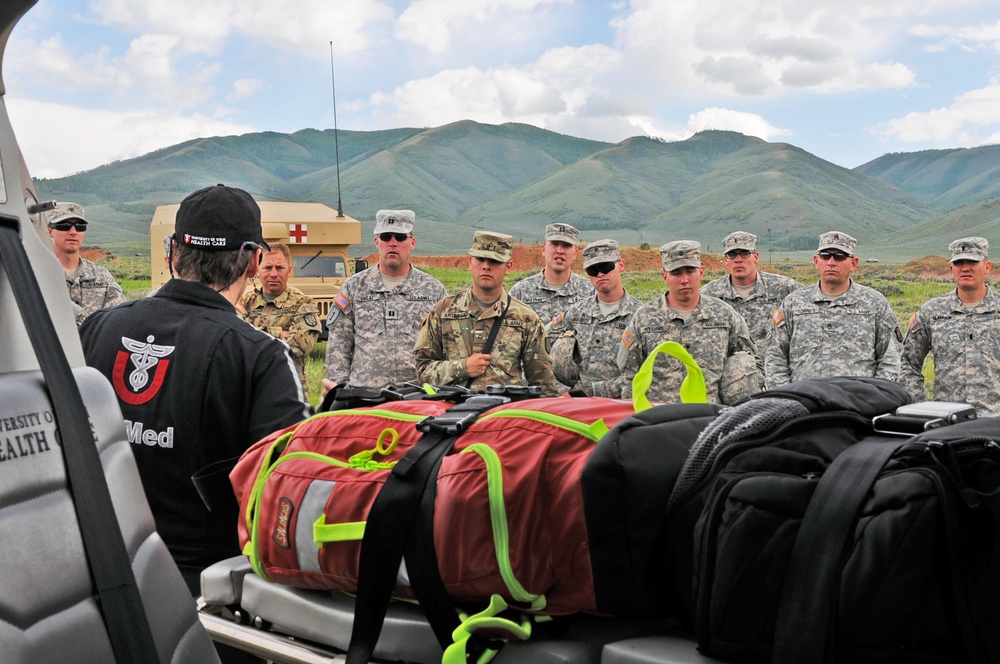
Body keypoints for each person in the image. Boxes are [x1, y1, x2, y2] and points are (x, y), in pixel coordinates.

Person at [79, 184, 312, 595]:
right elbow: (288, 493)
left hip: (93, 575)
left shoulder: (97, 328)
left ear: (172, 252)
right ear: (254, 261)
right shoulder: (262, 356)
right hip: (206, 590)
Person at [413, 230, 559, 396]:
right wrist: (463, 367)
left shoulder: (525, 318)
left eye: (494, 261)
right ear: (470, 262)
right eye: (480, 259)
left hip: (503, 416)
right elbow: (422, 371)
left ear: (508, 267)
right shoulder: (444, 311)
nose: (486, 266)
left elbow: (544, 386)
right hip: (453, 412)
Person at [616, 240, 761, 404]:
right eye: (676, 273)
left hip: (709, 419)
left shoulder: (725, 315)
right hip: (661, 420)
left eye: (690, 271)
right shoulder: (644, 318)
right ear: (665, 276)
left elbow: (751, 365)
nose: (684, 280)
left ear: (701, 272)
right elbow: (629, 377)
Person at [324, 209, 447, 391]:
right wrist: (339, 391)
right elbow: (339, 345)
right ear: (376, 242)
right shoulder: (353, 288)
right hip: (365, 395)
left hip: (418, 395)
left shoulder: (433, 290)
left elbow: (447, 346)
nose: (392, 243)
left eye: (400, 237)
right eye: (386, 237)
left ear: (412, 242)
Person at [765, 231, 902, 388]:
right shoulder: (793, 303)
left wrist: (875, 398)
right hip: (804, 404)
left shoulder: (875, 304)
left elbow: (890, 359)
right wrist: (786, 398)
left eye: (839, 256)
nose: (831, 262)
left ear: (854, 263)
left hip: (858, 406)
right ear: (816, 261)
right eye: (825, 256)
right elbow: (775, 356)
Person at [901, 237, 1000, 415]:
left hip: (994, 421)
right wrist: (919, 408)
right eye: (959, 262)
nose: (966, 268)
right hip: (946, 421)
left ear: (987, 267)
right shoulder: (932, 312)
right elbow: (907, 364)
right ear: (951, 269)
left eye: (972, 261)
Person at [549, 239, 641, 397]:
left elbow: (647, 371)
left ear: (621, 265)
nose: (600, 274)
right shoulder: (575, 313)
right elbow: (539, 349)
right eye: (593, 270)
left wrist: (591, 392)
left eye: (606, 267)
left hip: (622, 405)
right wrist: (561, 391)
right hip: (578, 406)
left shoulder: (641, 316)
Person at [701, 231, 803, 358]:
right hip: (731, 372)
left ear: (756, 257)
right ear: (726, 260)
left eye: (744, 254)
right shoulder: (709, 295)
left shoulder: (784, 288)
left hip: (773, 371)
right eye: (732, 255)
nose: (738, 260)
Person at [240, 243, 322, 391]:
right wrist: (280, 334)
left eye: (279, 268)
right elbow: (233, 345)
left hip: (289, 390)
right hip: (252, 389)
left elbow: (299, 347)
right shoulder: (245, 302)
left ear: (289, 270)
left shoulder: (303, 304)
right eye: (267, 268)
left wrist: (251, 335)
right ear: (258, 269)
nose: (273, 274)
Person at [46, 202, 125, 324]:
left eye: (80, 226)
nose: (73, 231)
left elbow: (119, 319)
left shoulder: (101, 276)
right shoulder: (39, 274)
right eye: (64, 225)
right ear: (50, 231)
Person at [509, 222, 594, 325]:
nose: (560, 251)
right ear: (543, 249)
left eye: (566, 246)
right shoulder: (520, 292)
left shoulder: (590, 292)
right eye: (554, 244)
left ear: (575, 253)